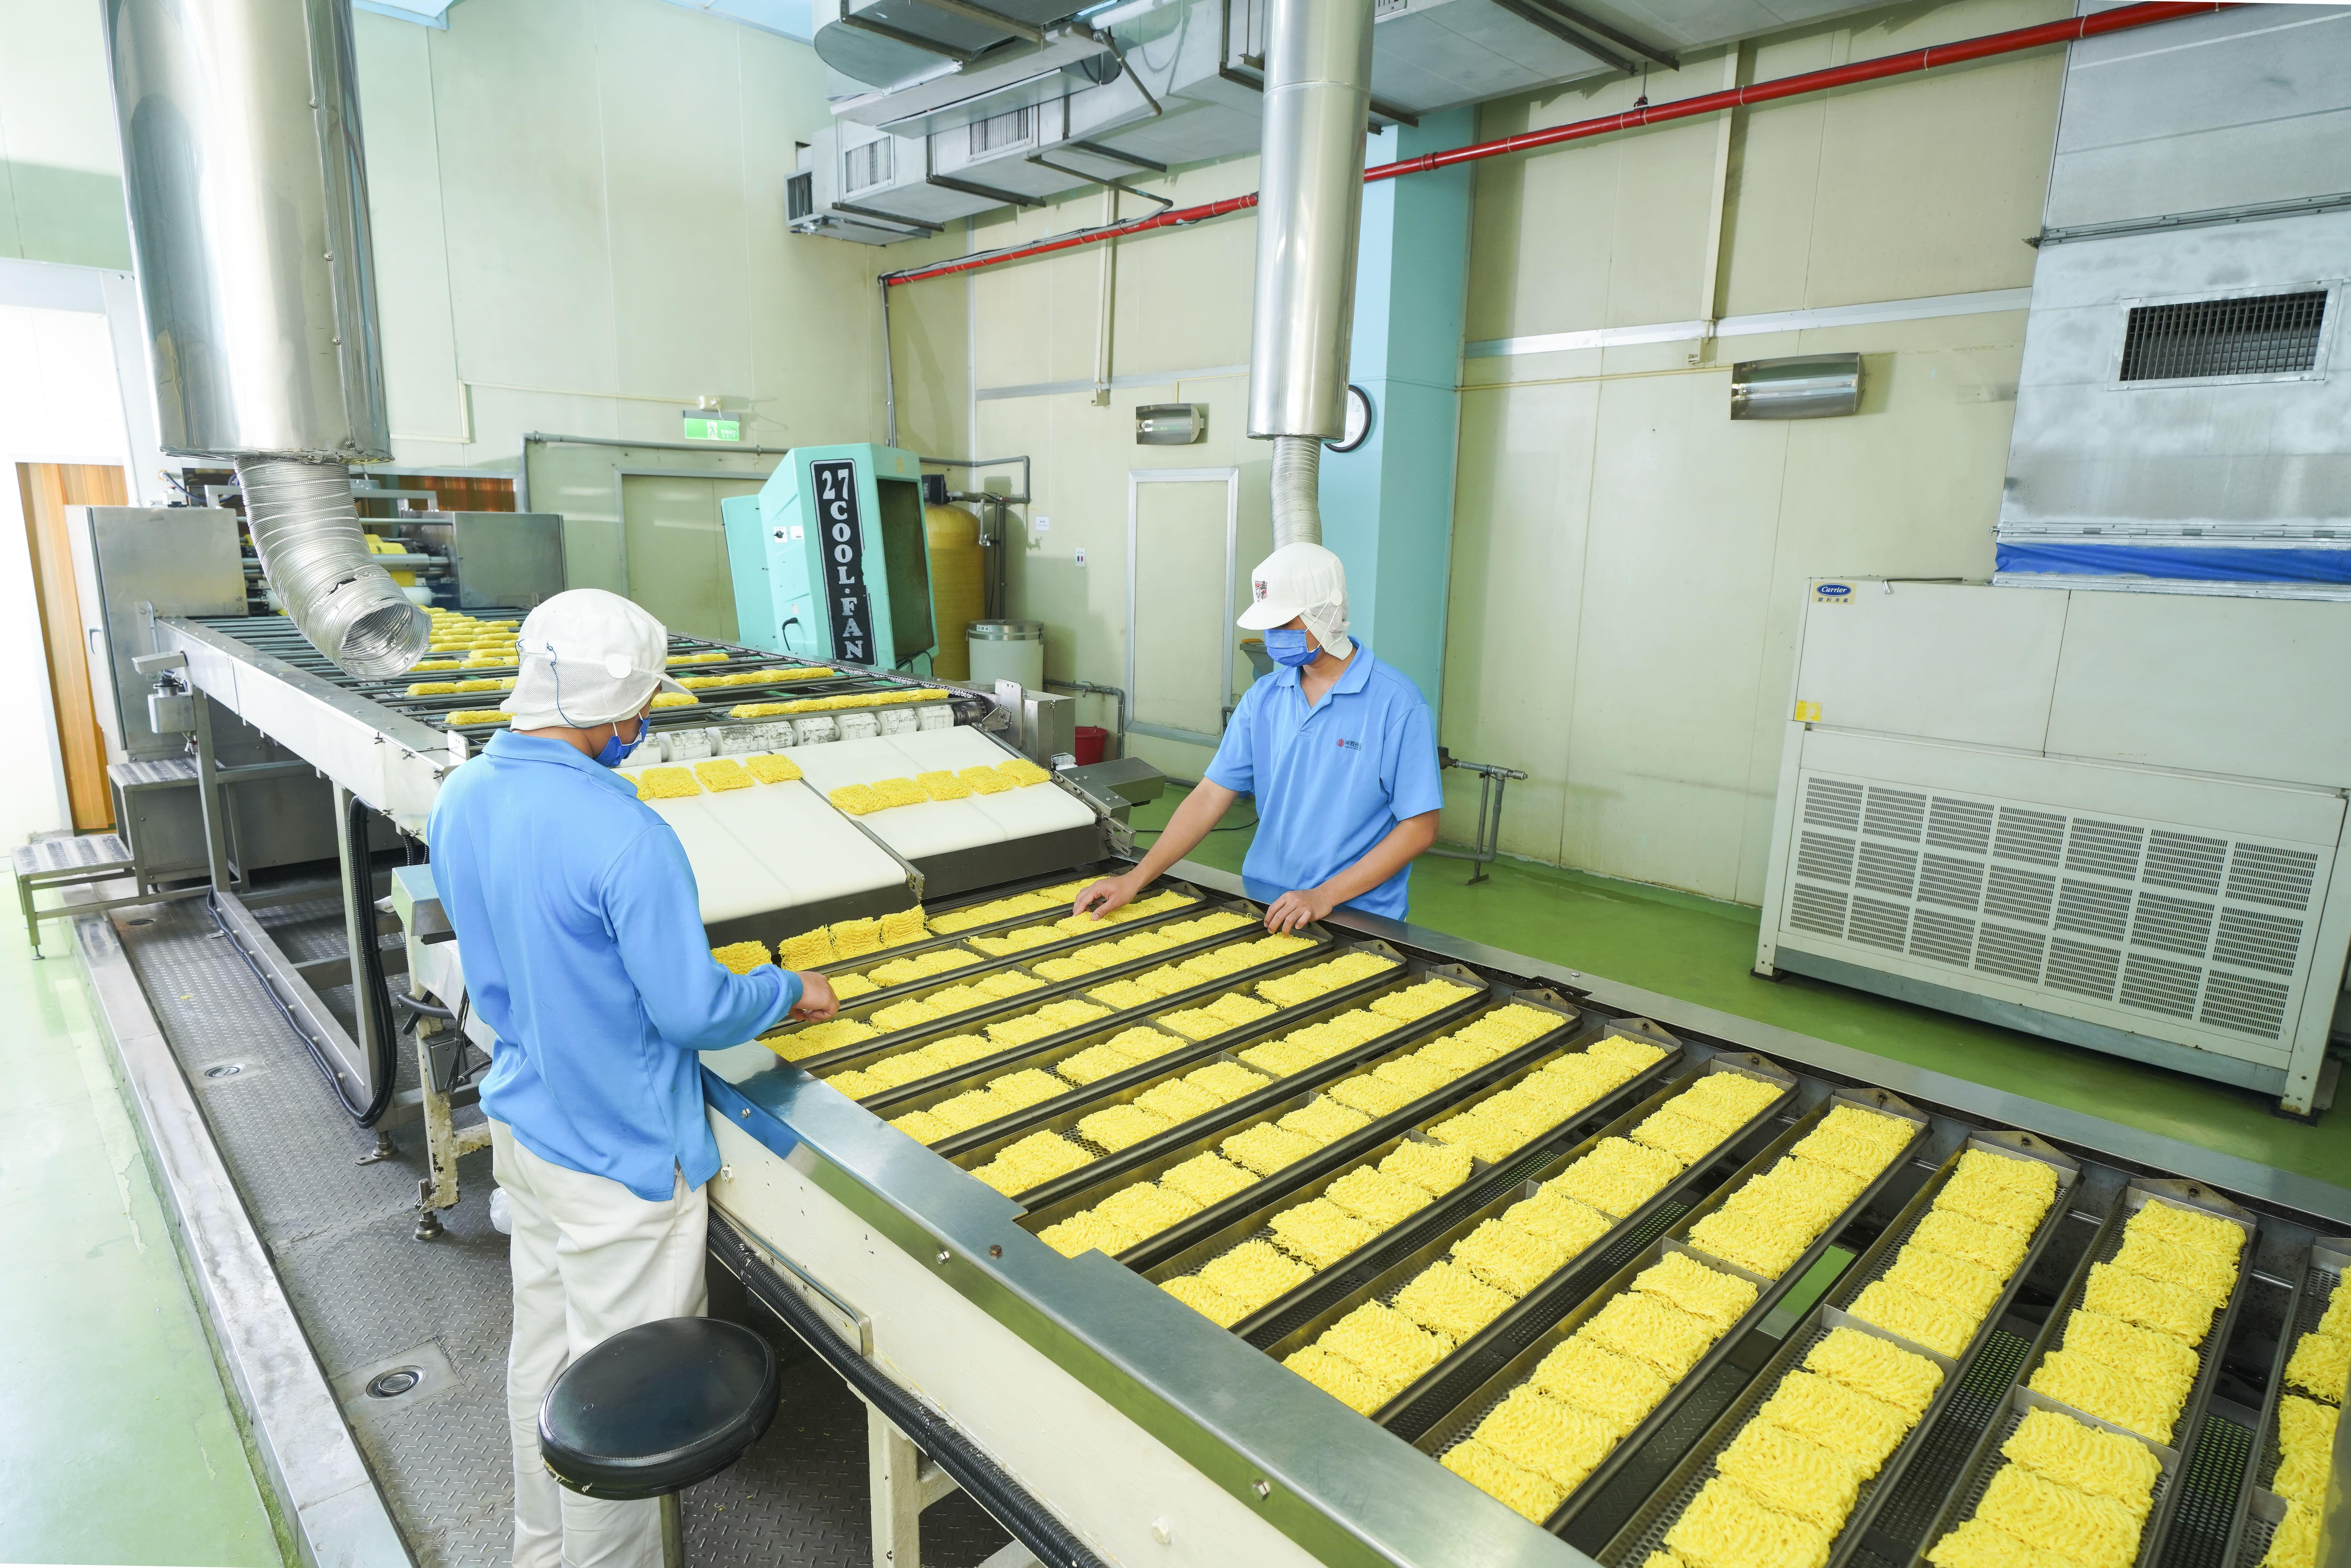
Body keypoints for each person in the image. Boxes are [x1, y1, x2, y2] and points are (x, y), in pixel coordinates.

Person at [427, 588, 837, 1568]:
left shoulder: (464, 795)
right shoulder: (624, 833)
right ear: (619, 710)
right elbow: (692, 1011)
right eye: (641, 708)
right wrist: (785, 988)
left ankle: (540, 1551)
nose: (641, 727)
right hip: (622, 1158)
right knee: (622, 1406)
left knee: (548, 1361)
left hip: (529, 1127)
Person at [1076, 542, 1443, 933]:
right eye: (1269, 625)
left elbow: (1420, 827)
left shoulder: (1397, 704)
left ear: (1328, 615)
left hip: (1359, 917)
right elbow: (1210, 796)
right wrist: (1136, 878)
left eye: (1285, 624)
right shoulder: (1266, 697)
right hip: (1269, 904)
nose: (1273, 636)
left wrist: (1325, 895)